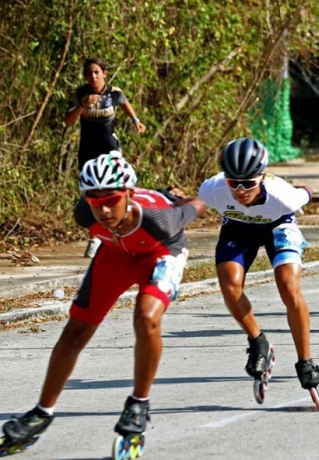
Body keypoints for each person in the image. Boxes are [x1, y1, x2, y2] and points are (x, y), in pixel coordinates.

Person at [0, 152, 205, 457]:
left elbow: (194, 206)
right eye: (95, 201)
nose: (104, 209)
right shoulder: (84, 213)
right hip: (115, 254)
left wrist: (192, 197)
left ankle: (138, 404)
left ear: (128, 194)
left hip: (160, 252)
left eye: (111, 199)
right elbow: (100, 207)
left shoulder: (160, 221)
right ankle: (42, 411)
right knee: (74, 332)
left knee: (146, 316)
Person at [197, 137, 319, 408]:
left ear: (263, 176)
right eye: (234, 183)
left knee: (288, 287)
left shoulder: (283, 195)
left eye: (249, 183)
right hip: (237, 228)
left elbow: (306, 192)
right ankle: (258, 342)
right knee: (230, 286)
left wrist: (308, 191)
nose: (241, 191)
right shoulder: (212, 189)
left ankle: (306, 361)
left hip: (278, 226)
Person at [65, 57, 147, 258]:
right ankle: (94, 238)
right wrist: (83, 105)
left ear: (104, 73)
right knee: (92, 194)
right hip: (88, 149)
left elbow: (125, 103)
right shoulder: (80, 93)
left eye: (96, 72)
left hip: (110, 147)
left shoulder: (114, 93)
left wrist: (136, 120)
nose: (93, 77)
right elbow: (68, 121)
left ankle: (123, 231)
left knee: (117, 188)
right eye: (89, 73)